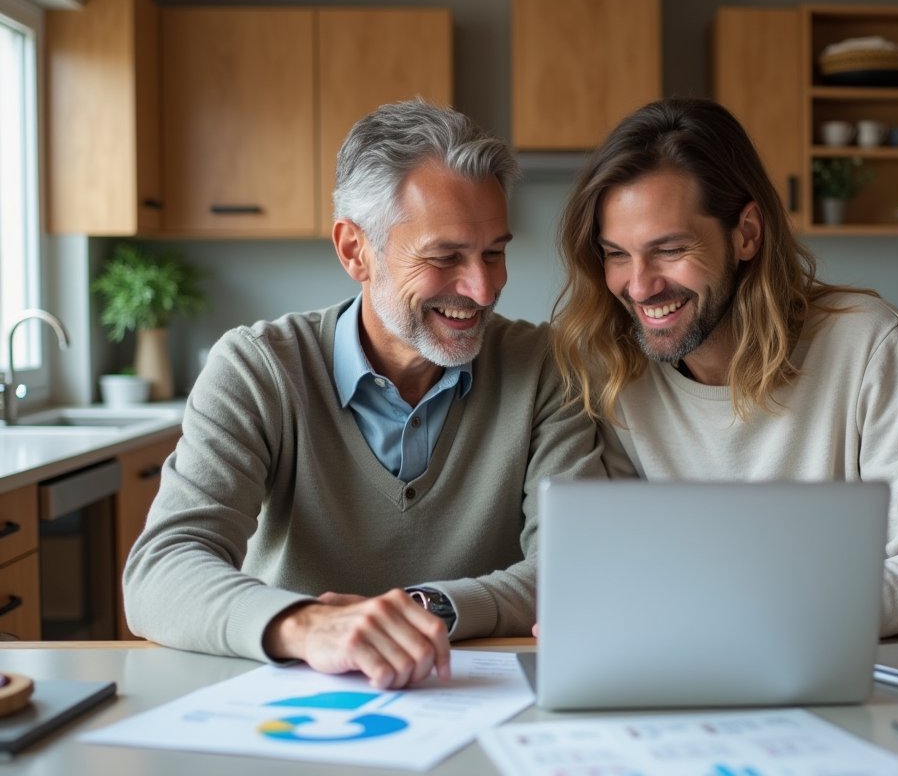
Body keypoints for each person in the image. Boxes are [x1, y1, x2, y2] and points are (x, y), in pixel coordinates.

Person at [124, 100, 608, 687]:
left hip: (474, 691)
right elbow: (160, 570)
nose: (481, 288)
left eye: (494, 253)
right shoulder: (258, 368)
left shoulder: (546, 368)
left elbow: (574, 567)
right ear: (355, 250)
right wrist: (308, 626)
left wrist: (420, 610)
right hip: (295, 698)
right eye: (444, 257)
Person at [551, 98, 898, 637]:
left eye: (669, 249)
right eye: (616, 254)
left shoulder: (869, 345)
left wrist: (801, 602)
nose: (639, 285)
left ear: (746, 233)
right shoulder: (613, 371)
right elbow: (621, 568)